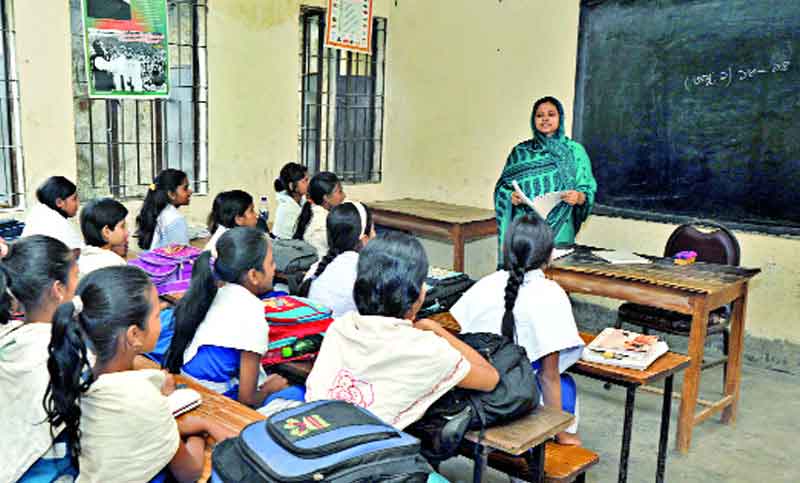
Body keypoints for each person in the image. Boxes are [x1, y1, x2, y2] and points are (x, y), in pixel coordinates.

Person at [43, 266, 233, 483]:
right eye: (156, 314)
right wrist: (199, 435)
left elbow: (137, 428)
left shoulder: (79, 369)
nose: (162, 314)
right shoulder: (140, 396)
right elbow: (189, 472)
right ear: (134, 335)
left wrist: (191, 425)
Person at [305, 232, 499, 430]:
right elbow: (490, 378)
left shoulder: (341, 327)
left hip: (310, 438)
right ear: (415, 295)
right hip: (361, 455)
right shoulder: (427, 348)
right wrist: (436, 330)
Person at [451, 214, 584, 445]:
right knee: (566, 385)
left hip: (480, 393)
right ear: (550, 254)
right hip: (520, 397)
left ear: (506, 249)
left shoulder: (484, 285)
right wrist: (561, 434)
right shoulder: (551, 294)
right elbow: (548, 376)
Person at [163, 227, 295, 409]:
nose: (274, 269)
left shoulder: (215, 292)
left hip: (191, 383)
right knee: (296, 394)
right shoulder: (252, 311)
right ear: (253, 276)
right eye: (271, 263)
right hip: (211, 399)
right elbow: (247, 399)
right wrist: (269, 389)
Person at [0, 235, 79, 482]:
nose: (80, 283)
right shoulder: (62, 351)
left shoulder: (11, 339)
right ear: (58, 289)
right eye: (76, 275)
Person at [494, 96, 597, 266]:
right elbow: (502, 187)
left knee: (558, 282)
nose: (545, 119)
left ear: (560, 118)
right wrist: (510, 196)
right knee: (523, 284)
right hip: (526, 231)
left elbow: (587, 189)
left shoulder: (574, 151)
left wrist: (578, 197)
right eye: (539, 115)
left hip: (561, 233)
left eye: (551, 114)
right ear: (533, 120)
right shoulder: (520, 152)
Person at [298, 201, 375, 317]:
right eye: (373, 230)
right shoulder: (365, 275)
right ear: (364, 239)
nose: (375, 236)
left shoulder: (316, 268)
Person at [21, 176, 83, 251]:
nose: (78, 203)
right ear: (59, 202)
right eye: (74, 199)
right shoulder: (58, 224)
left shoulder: (38, 213)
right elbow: (80, 253)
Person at [136, 169, 192, 250]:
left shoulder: (158, 212)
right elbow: (182, 256)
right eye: (185, 188)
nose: (190, 192)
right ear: (171, 194)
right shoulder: (176, 219)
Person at [292, 171, 345, 258]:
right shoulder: (323, 224)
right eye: (340, 191)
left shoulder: (312, 212)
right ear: (326, 198)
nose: (344, 196)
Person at [78, 197, 129, 276]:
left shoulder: (81, 258)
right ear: (106, 232)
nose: (127, 231)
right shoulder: (114, 263)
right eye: (122, 226)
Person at [205, 190, 259, 257]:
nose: (256, 215)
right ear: (239, 219)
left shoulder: (231, 235)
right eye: (251, 211)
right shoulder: (231, 245)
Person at [272, 162, 309, 239]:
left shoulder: (301, 201)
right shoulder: (287, 209)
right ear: (292, 186)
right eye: (304, 181)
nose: (308, 184)